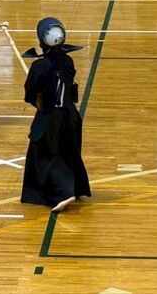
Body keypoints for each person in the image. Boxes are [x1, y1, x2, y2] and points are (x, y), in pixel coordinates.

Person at [20, 17, 91, 212]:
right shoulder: (68, 61)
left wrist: (36, 94)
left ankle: (63, 193)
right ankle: (74, 188)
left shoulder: (39, 66)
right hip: (71, 115)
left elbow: (29, 95)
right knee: (69, 153)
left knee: (48, 156)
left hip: (51, 117)